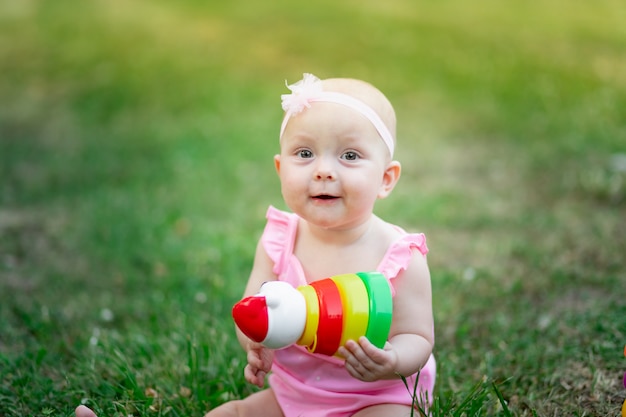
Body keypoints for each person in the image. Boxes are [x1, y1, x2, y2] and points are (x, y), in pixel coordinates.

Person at [76, 73, 435, 417]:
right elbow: (254, 310)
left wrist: (392, 362)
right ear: (280, 169)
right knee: (230, 413)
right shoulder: (280, 240)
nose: (323, 170)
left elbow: (417, 336)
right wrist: (256, 344)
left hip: (378, 398)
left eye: (350, 156)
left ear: (386, 179)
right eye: (305, 154)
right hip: (297, 393)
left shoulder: (400, 256)